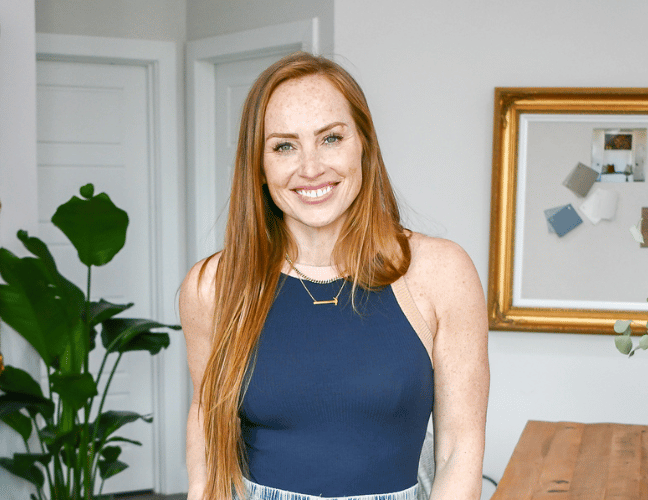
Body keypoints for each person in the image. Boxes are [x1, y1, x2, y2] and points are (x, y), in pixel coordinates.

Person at [179, 52, 489, 500]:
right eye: (284, 145)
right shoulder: (212, 286)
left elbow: (459, 451)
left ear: (363, 143)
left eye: (330, 139)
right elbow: (206, 425)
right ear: (259, 167)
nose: (310, 168)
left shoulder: (440, 273)